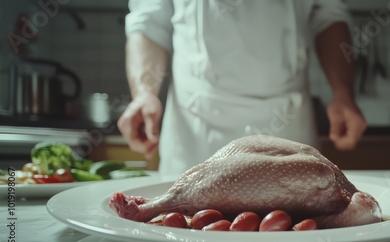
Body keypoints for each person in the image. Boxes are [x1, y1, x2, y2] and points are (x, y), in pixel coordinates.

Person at [118, 0, 367, 181]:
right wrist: (144, 92)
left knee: (291, 238)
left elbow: (330, 15)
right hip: (196, 132)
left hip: (287, 125)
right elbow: (148, 22)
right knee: (186, 231)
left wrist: (342, 93)